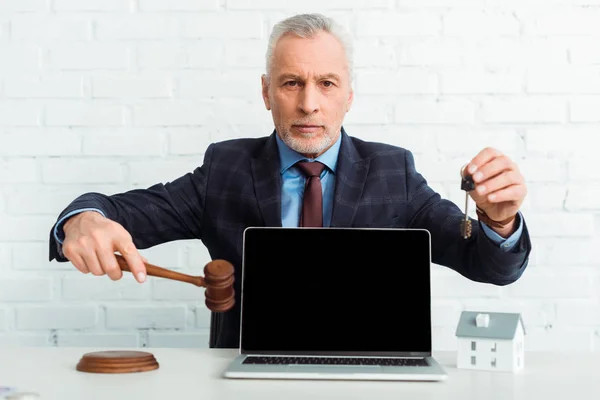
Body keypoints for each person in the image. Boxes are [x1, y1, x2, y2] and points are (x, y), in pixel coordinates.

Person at [48, 13, 531, 348]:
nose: (308, 105)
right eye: (291, 83)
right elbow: (122, 212)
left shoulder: (394, 173)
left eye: (326, 83)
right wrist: (84, 219)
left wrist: (501, 222)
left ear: (349, 96)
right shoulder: (225, 170)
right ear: (266, 93)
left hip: (375, 374)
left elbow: (488, 265)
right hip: (245, 373)